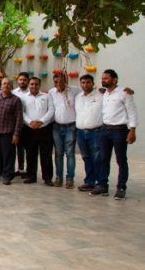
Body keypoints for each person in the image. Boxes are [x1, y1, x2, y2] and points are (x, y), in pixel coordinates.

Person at [91, 70, 138, 200]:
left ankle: (121, 187)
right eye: (102, 78)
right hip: (105, 130)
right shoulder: (104, 92)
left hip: (120, 131)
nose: (103, 80)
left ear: (115, 79)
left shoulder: (124, 93)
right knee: (103, 159)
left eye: (106, 78)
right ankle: (102, 185)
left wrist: (132, 130)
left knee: (121, 160)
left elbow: (132, 112)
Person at [48, 73, 81, 188]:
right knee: (58, 153)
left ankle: (70, 179)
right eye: (56, 82)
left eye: (60, 82)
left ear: (65, 81)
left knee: (70, 154)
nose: (58, 84)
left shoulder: (75, 90)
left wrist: (101, 91)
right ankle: (58, 177)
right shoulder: (51, 92)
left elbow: (88, 93)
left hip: (70, 127)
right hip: (57, 127)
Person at [20, 77, 54, 185]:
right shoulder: (23, 98)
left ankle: (47, 178)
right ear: (29, 85)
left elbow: (51, 110)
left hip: (44, 129)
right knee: (30, 154)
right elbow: (22, 112)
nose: (33, 86)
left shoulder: (46, 96)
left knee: (46, 154)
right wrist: (30, 122)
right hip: (29, 129)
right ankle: (31, 176)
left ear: (39, 85)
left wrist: (41, 121)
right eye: (31, 84)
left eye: (36, 84)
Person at [0, 78, 23, 185]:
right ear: (1, 86)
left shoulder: (16, 100)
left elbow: (19, 118)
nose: (6, 86)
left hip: (8, 132)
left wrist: (16, 134)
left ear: (12, 86)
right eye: (4, 84)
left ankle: (7, 175)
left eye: (8, 84)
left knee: (8, 155)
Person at [13, 72, 30, 176]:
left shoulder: (31, 92)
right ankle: (20, 168)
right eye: (20, 79)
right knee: (18, 148)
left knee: (28, 148)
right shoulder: (14, 92)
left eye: (24, 80)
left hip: (28, 125)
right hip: (16, 125)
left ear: (27, 81)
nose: (22, 81)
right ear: (17, 81)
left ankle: (29, 169)